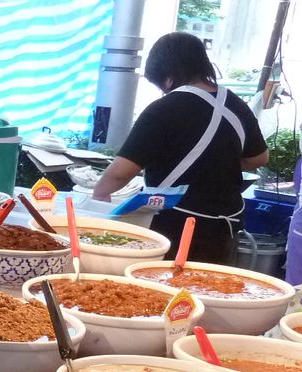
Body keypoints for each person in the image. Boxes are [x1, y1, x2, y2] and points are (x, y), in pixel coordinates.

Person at [93, 32, 268, 265]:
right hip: (225, 227)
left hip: (175, 225)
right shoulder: (235, 104)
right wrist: (216, 163)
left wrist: (98, 197)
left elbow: (121, 172)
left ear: (167, 77)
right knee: (212, 292)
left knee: (166, 294)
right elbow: (260, 157)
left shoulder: (164, 108)